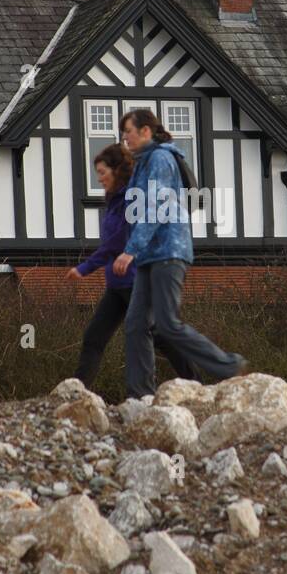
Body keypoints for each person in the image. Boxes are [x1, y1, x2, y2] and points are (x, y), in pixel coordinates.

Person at [113, 108, 246, 398]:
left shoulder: (160, 158)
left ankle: (228, 365)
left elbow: (156, 207)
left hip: (168, 251)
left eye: (129, 134)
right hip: (151, 255)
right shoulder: (143, 163)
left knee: (167, 324)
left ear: (146, 131)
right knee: (136, 325)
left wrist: (129, 251)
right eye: (123, 136)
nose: (126, 140)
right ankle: (140, 395)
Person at [67, 143, 198, 389]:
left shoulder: (131, 200)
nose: (99, 178)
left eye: (103, 172)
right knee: (94, 337)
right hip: (117, 284)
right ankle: (77, 391)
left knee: (159, 336)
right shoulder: (115, 201)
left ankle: (195, 383)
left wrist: (84, 268)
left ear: (117, 171)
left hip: (135, 281)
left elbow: (116, 243)